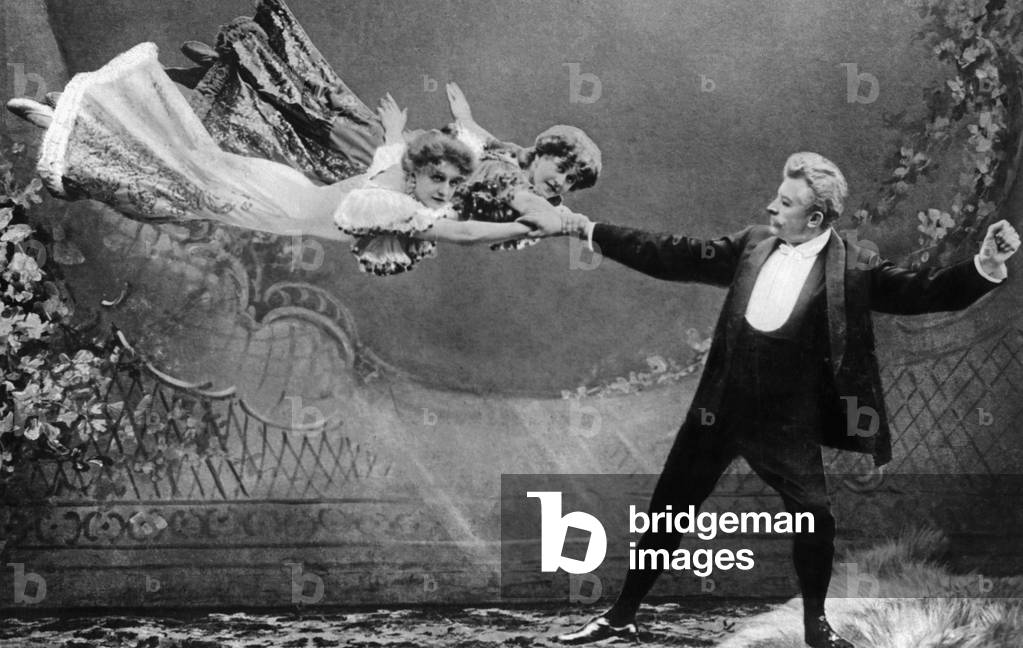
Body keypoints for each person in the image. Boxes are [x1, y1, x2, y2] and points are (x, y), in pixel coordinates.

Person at [514, 152, 1020, 648]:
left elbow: (919, 293)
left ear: (815, 217)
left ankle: (816, 628)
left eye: (784, 202)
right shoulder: (752, 244)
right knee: (669, 510)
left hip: (786, 424)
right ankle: (621, 616)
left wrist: (984, 265)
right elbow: (673, 252)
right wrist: (584, 226)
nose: (770, 209)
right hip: (719, 409)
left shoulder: (854, 265)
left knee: (815, 519)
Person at [7, 43, 536, 276]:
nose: (442, 188)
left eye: (449, 185)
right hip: (278, 189)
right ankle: (78, 123)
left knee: (172, 186)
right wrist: (468, 134)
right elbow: (439, 157)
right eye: (436, 178)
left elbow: (466, 225)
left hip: (272, 209)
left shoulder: (415, 214)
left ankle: (71, 134)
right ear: (421, 173)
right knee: (186, 161)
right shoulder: (397, 177)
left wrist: (538, 221)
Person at [162, 1, 603, 217]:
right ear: (543, 152)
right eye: (560, 167)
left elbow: (526, 212)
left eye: (568, 181)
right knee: (318, 99)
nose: (559, 181)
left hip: (392, 173)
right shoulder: (508, 155)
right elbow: (477, 134)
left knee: (300, 123)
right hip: (399, 148)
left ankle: (230, 66)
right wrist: (463, 114)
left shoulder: (519, 197)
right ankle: (232, 61)